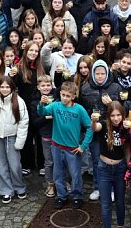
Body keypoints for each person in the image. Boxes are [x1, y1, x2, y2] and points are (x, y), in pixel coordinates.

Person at [37, 81, 93, 209]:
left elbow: (90, 126)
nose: (64, 98)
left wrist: (83, 146)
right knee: (58, 173)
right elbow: (42, 112)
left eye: (68, 96)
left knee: (75, 174)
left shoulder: (79, 109)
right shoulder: (55, 105)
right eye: (63, 95)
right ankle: (62, 196)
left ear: (73, 96)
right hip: (56, 146)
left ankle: (77, 196)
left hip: (72, 149)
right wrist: (41, 103)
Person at [92, 102, 131, 228]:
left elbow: (127, 148)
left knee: (120, 201)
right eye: (113, 115)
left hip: (120, 167)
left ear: (123, 115)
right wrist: (94, 120)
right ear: (108, 116)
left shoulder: (126, 128)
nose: (116, 119)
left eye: (118, 115)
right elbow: (95, 128)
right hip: (104, 168)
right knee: (106, 203)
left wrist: (129, 169)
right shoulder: (103, 125)